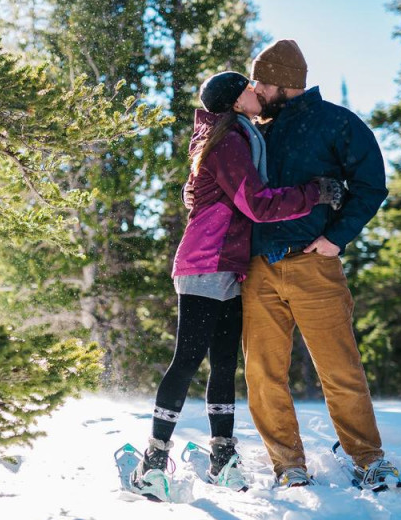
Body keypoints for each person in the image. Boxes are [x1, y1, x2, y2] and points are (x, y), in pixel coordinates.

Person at [129, 71, 345, 502]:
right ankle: (152, 462)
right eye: (247, 87)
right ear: (234, 100)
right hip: (206, 262)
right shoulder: (229, 142)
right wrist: (315, 193)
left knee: (224, 364)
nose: (255, 91)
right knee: (188, 361)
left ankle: (222, 458)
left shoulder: (240, 135)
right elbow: (258, 204)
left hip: (230, 265)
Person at [216, 39, 395, 489]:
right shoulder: (253, 130)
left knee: (339, 368)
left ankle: (368, 459)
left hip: (314, 264)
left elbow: (371, 184)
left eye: (260, 81)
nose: (254, 89)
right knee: (262, 373)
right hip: (257, 268)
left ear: (283, 82)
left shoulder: (336, 123)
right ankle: (288, 465)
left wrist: (336, 238)